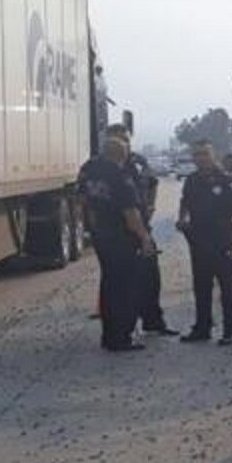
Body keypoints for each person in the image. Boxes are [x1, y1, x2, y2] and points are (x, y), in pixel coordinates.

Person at [79, 137, 155, 352]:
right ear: (122, 153)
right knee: (125, 289)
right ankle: (122, 337)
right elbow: (130, 213)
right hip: (123, 239)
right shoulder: (120, 176)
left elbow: (83, 202)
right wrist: (144, 237)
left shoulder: (92, 172)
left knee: (109, 286)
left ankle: (109, 336)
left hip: (102, 237)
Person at [107, 124, 176, 336]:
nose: (124, 143)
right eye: (119, 139)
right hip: (118, 232)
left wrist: (151, 205)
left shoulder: (138, 161)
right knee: (121, 283)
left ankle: (153, 321)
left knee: (150, 277)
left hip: (142, 227)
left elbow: (153, 183)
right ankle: (121, 330)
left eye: (126, 139)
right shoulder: (101, 166)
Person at [178, 141, 232, 346]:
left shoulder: (226, 180)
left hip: (223, 240)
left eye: (205, 154)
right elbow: (185, 202)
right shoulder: (191, 180)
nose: (201, 158)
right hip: (199, 241)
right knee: (201, 286)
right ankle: (202, 327)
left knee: (228, 288)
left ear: (213, 155)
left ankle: (230, 331)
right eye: (197, 154)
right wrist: (182, 219)